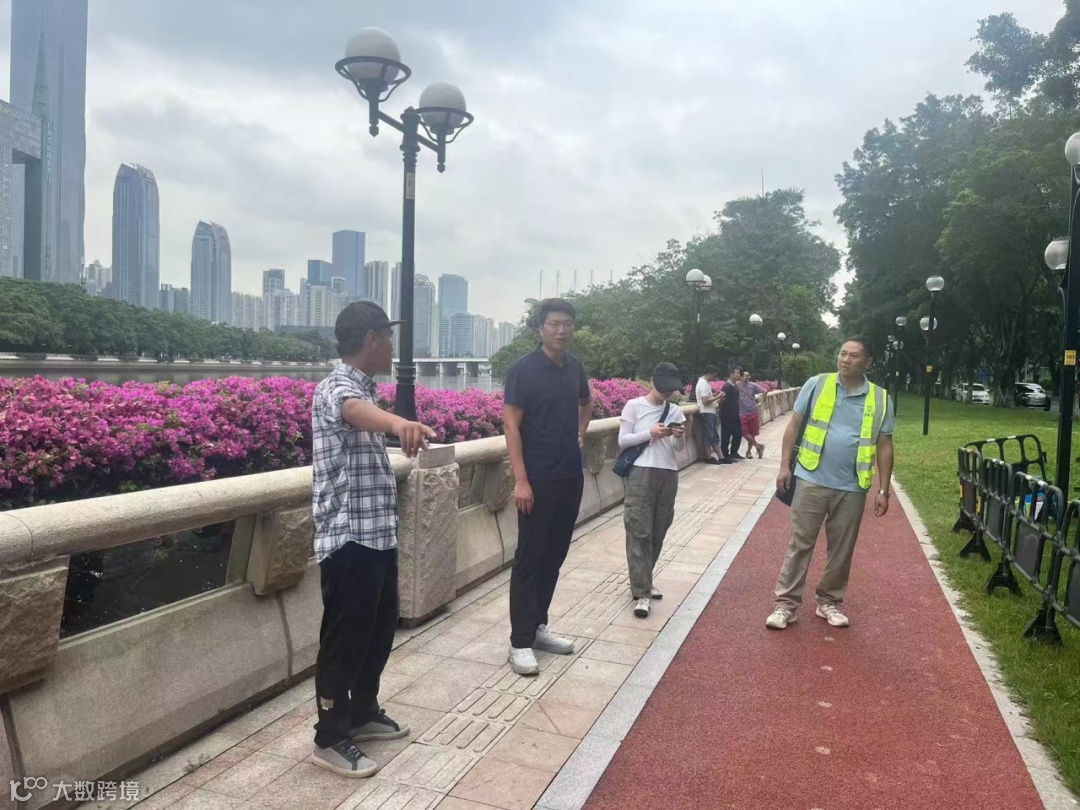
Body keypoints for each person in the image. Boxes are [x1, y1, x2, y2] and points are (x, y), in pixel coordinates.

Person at [310, 301, 437, 777]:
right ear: (371, 339)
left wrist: (393, 421)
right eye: (388, 338)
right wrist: (398, 423)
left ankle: (362, 712)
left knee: (378, 631)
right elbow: (354, 411)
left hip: (377, 535)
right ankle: (330, 737)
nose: (391, 347)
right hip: (348, 539)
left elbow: (364, 408)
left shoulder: (365, 388)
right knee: (344, 640)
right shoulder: (336, 387)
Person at [766, 336, 894, 631]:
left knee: (842, 549)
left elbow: (885, 444)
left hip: (853, 486)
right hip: (811, 478)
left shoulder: (880, 398)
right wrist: (784, 466)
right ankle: (786, 605)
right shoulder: (817, 384)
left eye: (854, 355)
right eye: (843, 353)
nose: (845, 359)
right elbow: (794, 425)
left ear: (867, 362)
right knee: (800, 544)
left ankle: (829, 601)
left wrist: (883, 490)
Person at [503, 299, 593, 676]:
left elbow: (586, 402)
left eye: (567, 323)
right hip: (537, 479)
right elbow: (511, 425)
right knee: (530, 558)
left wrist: (580, 434)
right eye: (554, 323)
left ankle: (538, 627)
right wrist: (521, 480)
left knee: (554, 556)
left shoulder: (575, 367)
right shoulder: (524, 370)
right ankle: (520, 641)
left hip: (569, 476)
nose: (561, 330)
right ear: (540, 329)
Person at [619, 363, 687, 619]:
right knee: (639, 530)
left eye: (672, 389)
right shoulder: (634, 406)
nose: (668, 392)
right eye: (665, 387)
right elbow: (623, 440)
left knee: (659, 529)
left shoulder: (676, 410)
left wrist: (678, 434)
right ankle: (642, 593)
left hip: (668, 473)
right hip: (640, 473)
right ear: (653, 381)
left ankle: (644, 579)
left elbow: (679, 449)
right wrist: (650, 433)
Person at [695, 366, 723, 464]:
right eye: (713, 376)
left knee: (713, 435)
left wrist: (715, 395)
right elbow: (705, 401)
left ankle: (720, 457)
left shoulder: (704, 383)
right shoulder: (703, 384)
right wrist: (718, 397)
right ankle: (708, 457)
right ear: (708, 374)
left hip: (710, 412)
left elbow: (706, 397)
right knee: (708, 435)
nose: (714, 379)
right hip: (706, 412)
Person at [738, 370, 769, 459]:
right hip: (742, 413)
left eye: (749, 376)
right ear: (741, 377)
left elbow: (765, 391)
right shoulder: (737, 385)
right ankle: (758, 446)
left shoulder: (753, 385)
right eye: (746, 376)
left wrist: (761, 402)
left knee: (752, 433)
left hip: (753, 412)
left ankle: (748, 452)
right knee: (744, 433)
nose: (748, 377)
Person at [719, 364, 743, 463]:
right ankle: (725, 454)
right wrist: (721, 411)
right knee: (726, 435)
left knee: (738, 434)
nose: (739, 375)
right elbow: (721, 399)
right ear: (731, 374)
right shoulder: (726, 386)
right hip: (727, 415)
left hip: (735, 414)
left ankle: (734, 452)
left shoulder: (735, 386)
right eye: (737, 373)